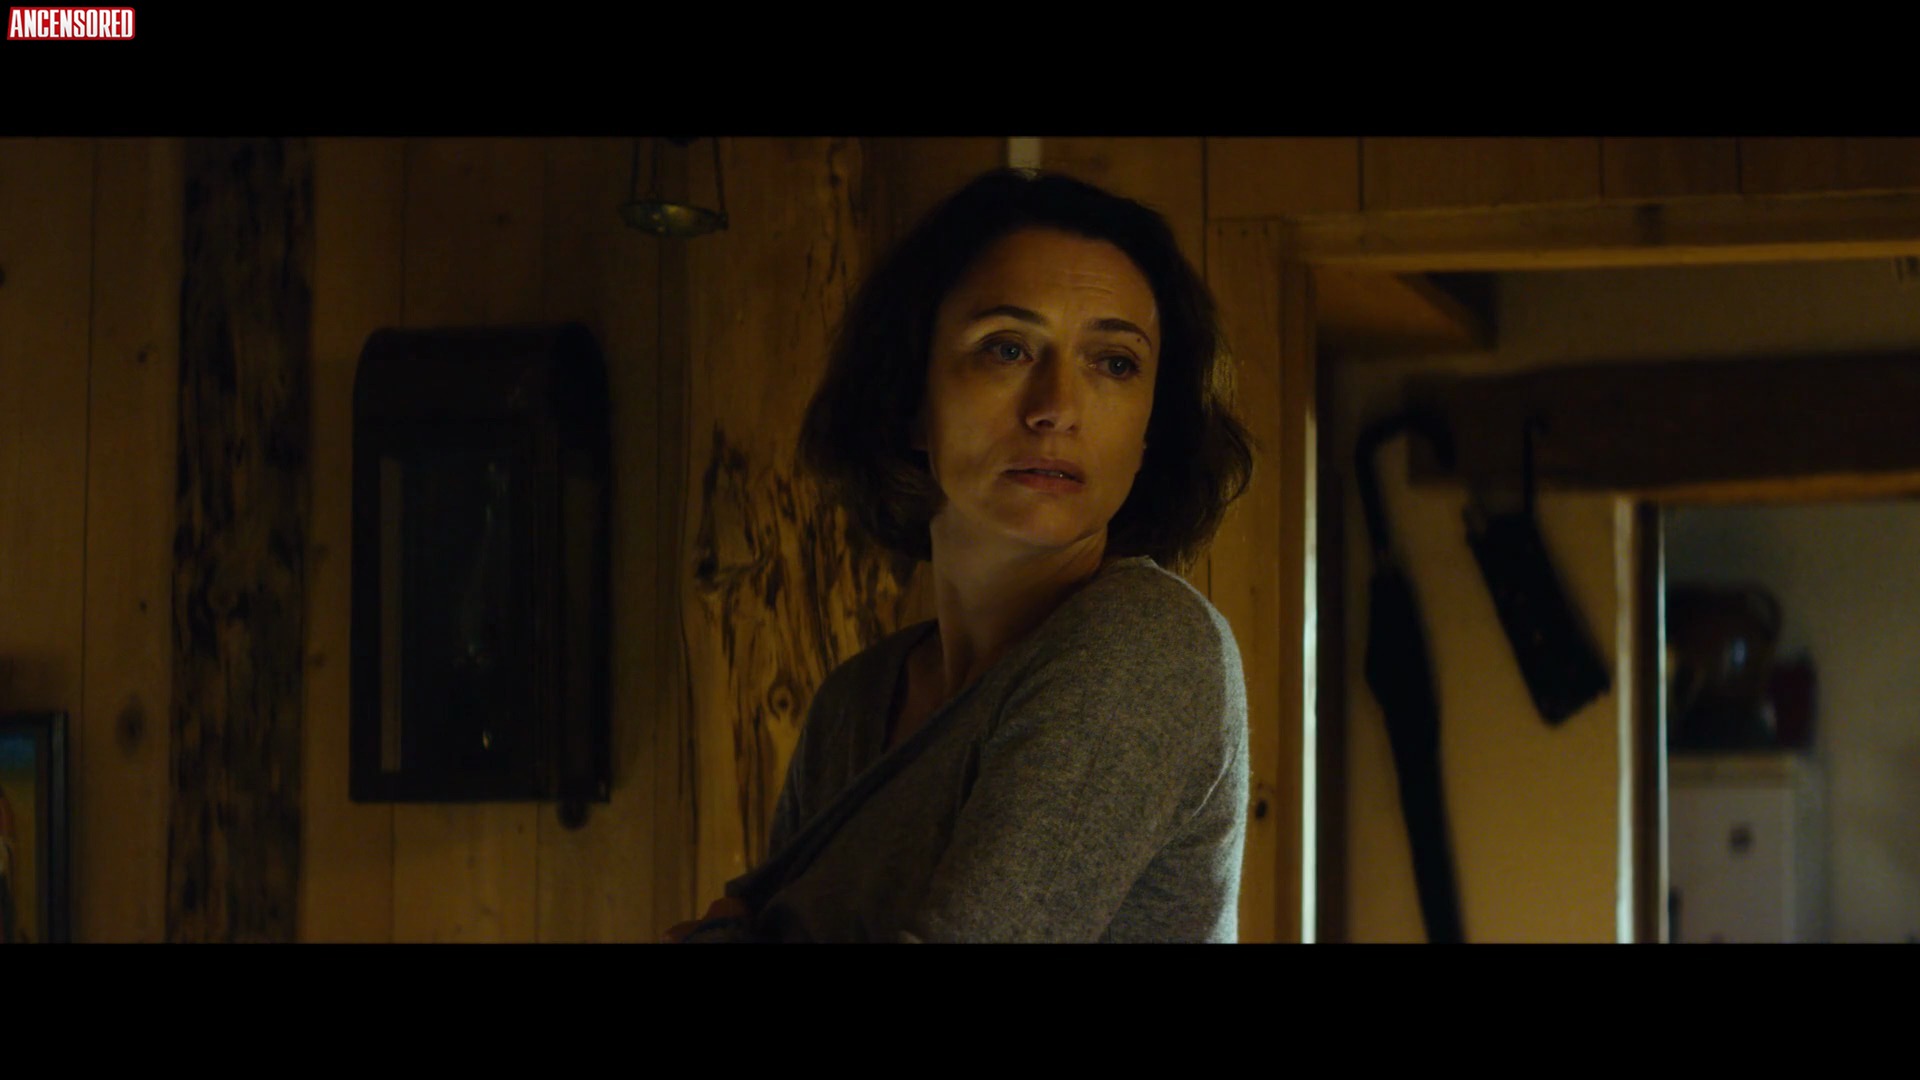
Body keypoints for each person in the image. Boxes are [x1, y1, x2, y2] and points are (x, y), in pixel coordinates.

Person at [670, 167, 1255, 943]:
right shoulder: (853, 704)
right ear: (911, 397)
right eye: (1008, 349)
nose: (1057, 409)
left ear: (1151, 428)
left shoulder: (1145, 643)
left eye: (1114, 363)